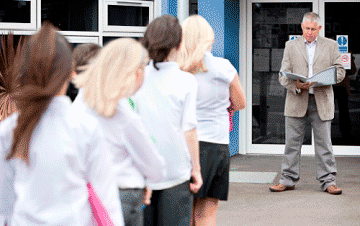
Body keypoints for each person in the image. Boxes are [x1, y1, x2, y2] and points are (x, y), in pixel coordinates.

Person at [0, 22, 124, 225]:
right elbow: (107, 201)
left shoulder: (8, 130)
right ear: (71, 73)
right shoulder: (86, 127)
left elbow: (4, 206)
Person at [71, 38, 166, 226]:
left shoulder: (79, 105)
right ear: (135, 73)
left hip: (87, 195)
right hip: (124, 194)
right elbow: (156, 168)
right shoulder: (125, 115)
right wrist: (144, 179)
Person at [132, 14, 202, 226]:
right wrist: (196, 169)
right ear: (180, 45)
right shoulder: (186, 81)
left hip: (140, 171)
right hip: (176, 169)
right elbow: (189, 129)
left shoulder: (135, 77)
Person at [177, 15, 246, 226]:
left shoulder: (177, 69)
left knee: (184, 210)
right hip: (215, 144)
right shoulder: (223, 67)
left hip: (182, 145)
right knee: (207, 212)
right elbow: (241, 102)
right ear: (209, 38)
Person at [270, 12, 345, 195]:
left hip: (321, 100)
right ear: (301, 27)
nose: (309, 32)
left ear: (319, 28)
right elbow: (283, 75)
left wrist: (322, 80)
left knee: (324, 144)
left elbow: (340, 72)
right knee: (292, 144)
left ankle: (328, 181)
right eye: (306, 29)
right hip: (297, 98)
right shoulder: (290, 45)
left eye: (313, 29)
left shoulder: (331, 45)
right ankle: (287, 180)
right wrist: (296, 84)